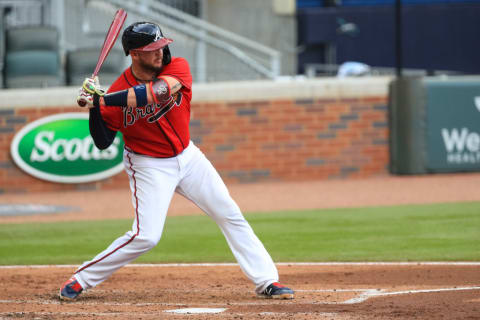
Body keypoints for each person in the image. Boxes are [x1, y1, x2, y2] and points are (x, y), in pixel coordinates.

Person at [59, 22, 294, 300]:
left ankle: (267, 281)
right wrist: (94, 108)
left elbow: (155, 93)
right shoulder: (118, 90)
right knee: (146, 236)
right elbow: (102, 141)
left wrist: (101, 100)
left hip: (188, 156)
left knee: (229, 213)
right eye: (153, 48)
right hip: (148, 165)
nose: (161, 52)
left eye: (162, 45)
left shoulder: (177, 67)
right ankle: (81, 279)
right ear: (134, 54)